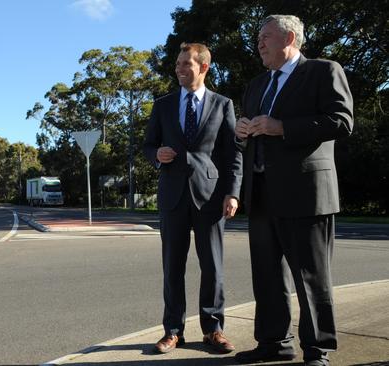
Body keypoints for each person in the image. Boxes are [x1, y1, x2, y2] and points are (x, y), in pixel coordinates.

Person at [233, 15, 353, 366]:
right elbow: (254, 136)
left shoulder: (322, 71)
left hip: (306, 193)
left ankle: (318, 349)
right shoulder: (256, 85)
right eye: (258, 38)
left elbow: (342, 121)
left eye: (265, 36)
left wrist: (282, 127)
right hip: (261, 194)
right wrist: (243, 132)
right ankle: (273, 343)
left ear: (289, 37)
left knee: (310, 277)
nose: (259, 43)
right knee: (267, 277)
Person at [143, 43, 242, 355]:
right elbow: (148, 145)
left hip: (211, 197)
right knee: (172, 267)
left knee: (213, 267)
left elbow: (232, 153)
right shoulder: (163, 105)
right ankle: (173, 332)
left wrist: (233, 192)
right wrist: (156, 155)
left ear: (204, 67)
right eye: (177, 64)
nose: (179, 69)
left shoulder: (223, 104)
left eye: (186, 64)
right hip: (172, 196)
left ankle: (213, 330)